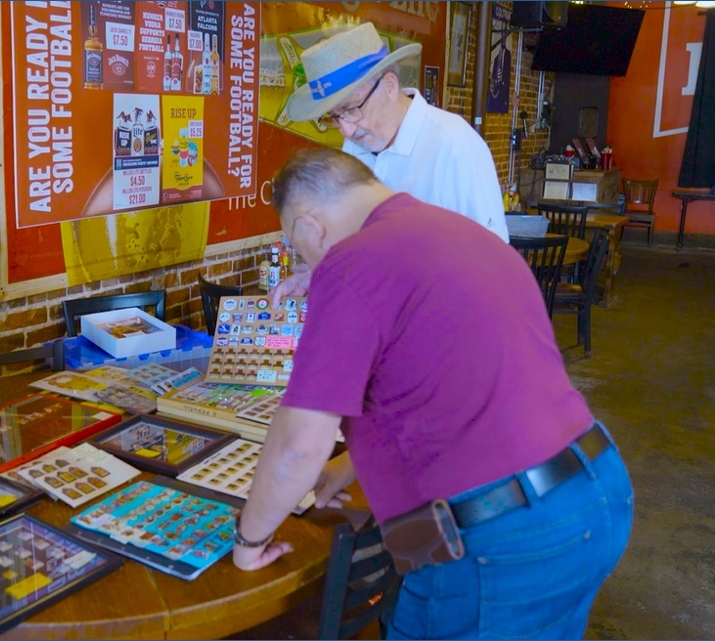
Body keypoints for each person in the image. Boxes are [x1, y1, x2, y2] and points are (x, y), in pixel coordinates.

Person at [232, 148, 633, 640]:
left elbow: (298, 444)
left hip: (501, 541)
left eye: (300, 247)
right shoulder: (458, 232)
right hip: (595, 492)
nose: (310, 263)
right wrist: (349, 465)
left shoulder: (351, 262)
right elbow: (447, 385)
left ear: (312, 226)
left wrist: (250, 538)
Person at [275, 21, 509, 301]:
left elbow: (494, 262)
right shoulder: (355, 145)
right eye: (334, 117)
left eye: (351, 109)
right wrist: (317, 274)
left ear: (389, 85)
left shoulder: (453, 144)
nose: (347, 130)